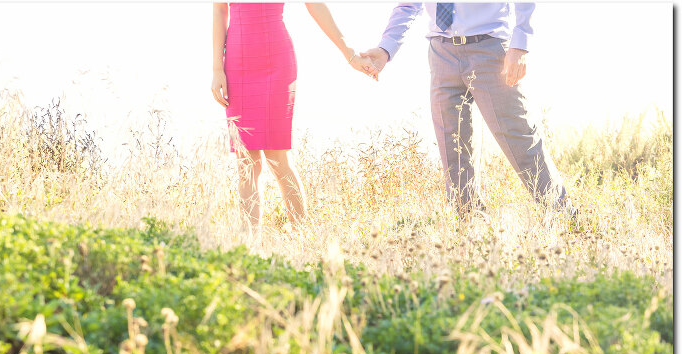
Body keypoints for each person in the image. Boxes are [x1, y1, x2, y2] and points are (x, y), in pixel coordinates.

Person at [360, 3, 574, 219]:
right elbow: (408, 5)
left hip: (489, 48)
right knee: (454, 151)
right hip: (441, 52)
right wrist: (385, 49)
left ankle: (564, 218)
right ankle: (471, 227)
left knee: (519, 137)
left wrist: (520, 43)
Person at [212, 3, 377, 234]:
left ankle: (302, 237)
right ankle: (247, 244)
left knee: (277, 157)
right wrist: (216, 69)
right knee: (246, 162)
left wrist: (350, 55)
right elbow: (220, 9)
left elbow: (315, 5)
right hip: (237, 64)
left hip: (275, 62)